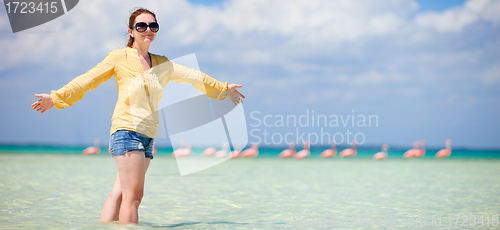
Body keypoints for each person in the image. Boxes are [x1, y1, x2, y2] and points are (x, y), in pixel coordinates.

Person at [30, 8, 245, 225]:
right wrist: (55, 98)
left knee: (121, 194)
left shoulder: (162, 64)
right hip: (127, 131)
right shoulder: (118, 57)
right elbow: (88, 80)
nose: (148, 30)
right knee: (134, 197)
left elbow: (194, 77)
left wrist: (223, 88)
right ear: (131, 31)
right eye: (141, 26)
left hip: (148, 135)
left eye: (153, 26)